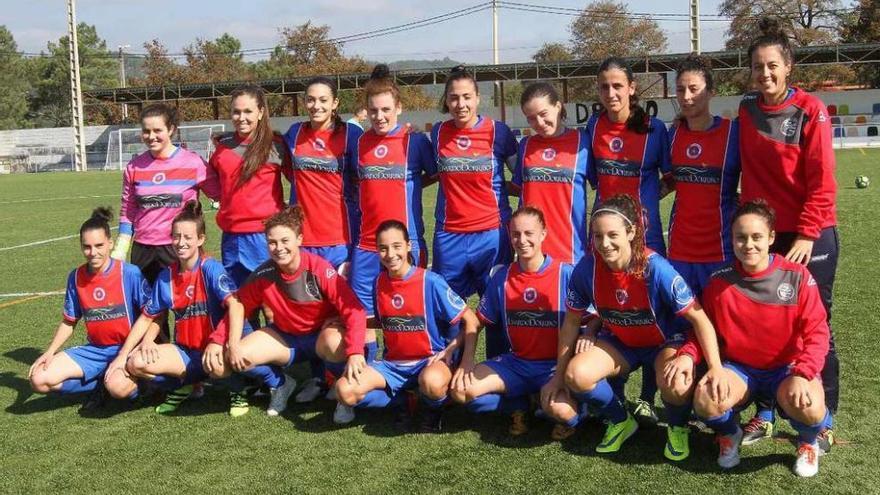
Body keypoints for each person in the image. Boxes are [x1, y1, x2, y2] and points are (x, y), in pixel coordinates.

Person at [540, 194, 724, 461]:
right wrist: (557, 375)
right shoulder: (586, 269)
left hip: (663, 343)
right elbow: (570, 323)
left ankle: (677, 427)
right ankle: (621, 420)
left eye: (613, 234)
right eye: (598, 236)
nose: (604, 244)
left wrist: (715, 367)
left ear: (632, 232)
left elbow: (701, 319)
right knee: (576, 375)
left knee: (677, 383)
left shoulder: (656, 268)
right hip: (621, 342)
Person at [736, 18, 838, 450]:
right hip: (765, 237)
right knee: (762, 327)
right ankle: (764, 413)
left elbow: (822, 180)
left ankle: (824, 414)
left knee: (816, 327)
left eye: (773, 65)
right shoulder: (746, 109)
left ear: (788, 67)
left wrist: (807, 234)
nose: (766, 74)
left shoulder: (810, 110)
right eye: (758, 67)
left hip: (809, 237)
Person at [685, 199, 831, 477]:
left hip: (788, 368)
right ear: (732, 239)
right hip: (741, 369)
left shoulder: (797, 276)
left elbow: (818, 331)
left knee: (810, 407)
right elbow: (703, 329)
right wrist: (687, 355)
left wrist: (804, 372)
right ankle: (730, 433)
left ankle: (808, 441)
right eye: (741, 238)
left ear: (771, 238)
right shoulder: (719, 282)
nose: (748, 245)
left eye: (756, 237)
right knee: (705, 400)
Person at [205, 206, 368, 424]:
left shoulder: (319, 268)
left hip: (320, 336)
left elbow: (353, 309)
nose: (278, 248)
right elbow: (240, 304)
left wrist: (356, 351)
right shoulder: (264, 274)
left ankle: (341, 393)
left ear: (299, 239)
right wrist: (220, 341)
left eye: (285, 241)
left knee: (336, 342)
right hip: (285, 339)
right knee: (230, 359)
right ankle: (280, 383)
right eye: (272, 242)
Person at [586, 56, 673, 424]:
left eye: (618, 85)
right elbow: (593, 180)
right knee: (611, 312)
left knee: (652, 315)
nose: (611, 93)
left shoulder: (655, 130)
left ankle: (648, 397)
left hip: (646, 240)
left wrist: (646, 209)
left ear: (632, 88)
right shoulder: (593, 126)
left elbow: (670, 177)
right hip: (605, 242)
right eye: (604, 86)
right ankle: (617, 395)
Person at [335, 220, 478, 432]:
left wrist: (459, 355)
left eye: (396, 246)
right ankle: (402, 401)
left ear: (408, 246)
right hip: (393, 365)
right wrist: (350, 323)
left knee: (432, 383)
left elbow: (471, 320)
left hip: (429, 361)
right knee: (345, 390)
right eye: (383, 248)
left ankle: (433, 410)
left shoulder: (430, 281)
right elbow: (387, 322)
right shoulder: (378, 283)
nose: (390, 254)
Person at [107, 201, 247, 416]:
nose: (181, 242)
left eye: (188, 237)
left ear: (200, 239)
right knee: (136, 363)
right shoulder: (165, 277)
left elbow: (236, 306)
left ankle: (237, 388)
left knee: (218, 367)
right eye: (176, 236)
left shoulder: (211, 268)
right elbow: (147, 317)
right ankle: (184, 385)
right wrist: (123, 354)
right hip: (186, 352)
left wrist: (224, 342)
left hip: (216, 348)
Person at [450, 206, 574, 438]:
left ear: (543, 234)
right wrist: (465, 359)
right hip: (516, 364)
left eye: (529, 233)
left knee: (562, 412)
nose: (522, 240)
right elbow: (477, 322)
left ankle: (567, 407)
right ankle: (520, 405)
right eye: (516, 234)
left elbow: (590, 318)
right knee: (461, 392)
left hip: (554, 367)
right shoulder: (502, 277)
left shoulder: (565, 274)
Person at [284, 77, 364, 403]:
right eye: (310, 100)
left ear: (335, 103)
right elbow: (291, 177)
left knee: (346, 309)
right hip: (305, 241)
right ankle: (319, 378)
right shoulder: (293, 134)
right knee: (313, 312)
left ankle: (352, 375)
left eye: (322, 100)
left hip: (340, 239)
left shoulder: (351, 136)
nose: (316, 106)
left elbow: (365, 178)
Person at [430, 65, 517, 359]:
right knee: (447, 308)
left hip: (491, 235)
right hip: (449, 236)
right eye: (454, 98)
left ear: (478, 97)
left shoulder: (498, 132)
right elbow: (428, 174)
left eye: (467, 96)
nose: (461, 104)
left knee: (495, 307)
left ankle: (497, 369)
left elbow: (520, 177)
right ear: (446, 100)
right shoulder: (438, 133)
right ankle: (447, 372)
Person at [112, 103, 218, 341]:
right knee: (150, 309)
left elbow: (220, 194)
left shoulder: (193, 163)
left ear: (171, 129)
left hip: (180, 249)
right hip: (144, 249)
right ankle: (158, 363)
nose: (151, 136)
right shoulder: (134, 166)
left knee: (189, 307)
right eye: (146, 131)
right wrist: (121, 247)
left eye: (157, 130)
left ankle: (193, 363)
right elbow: (128, 208)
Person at [28, 207, 151, 410]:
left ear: (110, 244)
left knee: (118, 388)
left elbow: (152, 314)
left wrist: (142, 345)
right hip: (95, 350)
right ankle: (98, 384)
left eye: (99, 245)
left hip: (127, 349)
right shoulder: (75, 277)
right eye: (87, 247)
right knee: (39, 378)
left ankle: (138, 386)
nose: (93, 252)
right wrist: (49, 352)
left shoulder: (129, 273)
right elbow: (70, 321)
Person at [348, 64, 434, 319]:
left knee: (409, 312)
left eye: (386, 109)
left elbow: (435, 175)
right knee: (362, 315)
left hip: (406, 242)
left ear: (398, 108)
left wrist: (409, 184)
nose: (380, 116)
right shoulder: (360, 142)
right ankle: (368, 360)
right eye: (373, 110)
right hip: (366, 244)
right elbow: (357, 181)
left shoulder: (415, 141)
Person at [667, 54, 741, 297]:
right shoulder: (672, 135)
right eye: (680, 90)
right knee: (683, 329)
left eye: (694, 89)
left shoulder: (733, 134)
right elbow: (669, 182)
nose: (686, 97)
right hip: (680, 252)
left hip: (721, 251)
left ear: (711, 92)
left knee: (722, 328)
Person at [207, 85, 290, 289]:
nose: (241, 117)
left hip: (265, 237)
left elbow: (301, 182)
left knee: (271, 306)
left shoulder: (276, 145)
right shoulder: (222, 147)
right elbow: (210, 179)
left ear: (261, 112)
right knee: (237, 302)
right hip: (231, 238)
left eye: (248, 111)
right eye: (236, 111)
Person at [512, 81, 590, 265]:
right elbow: (518, 188)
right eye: (531, 118)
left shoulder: (583, 142)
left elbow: (602, 185)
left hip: (570, 252)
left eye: (543, 114)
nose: (538, 122)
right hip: (531, 250)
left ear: (557, 106)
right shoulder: (526, 145)